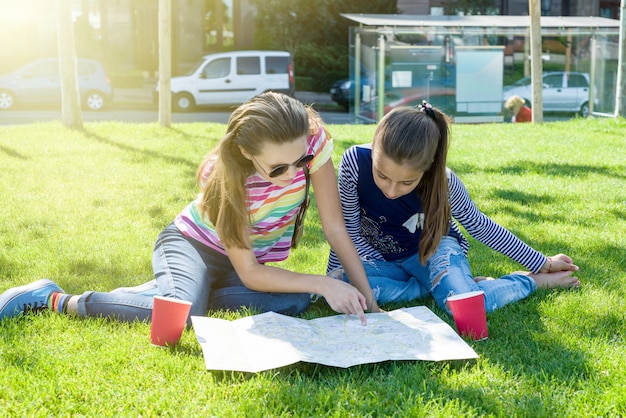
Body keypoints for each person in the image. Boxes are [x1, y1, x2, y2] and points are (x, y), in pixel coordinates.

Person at [0, 92, 377, 325]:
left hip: (238, 267)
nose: (294, 174)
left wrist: (371, 305)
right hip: (190, 245)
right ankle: (54, 298)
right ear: (247, 153)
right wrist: (324, 282)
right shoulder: (224, 175)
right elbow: (249, 273)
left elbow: (334, 228)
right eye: (279, 168)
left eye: (301, 161)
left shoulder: (315, 142)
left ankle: (175, 292)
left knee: (296, 299)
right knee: (177, 322)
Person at [327, 102, 579, 315]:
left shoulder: (443, 182)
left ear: (427, 168)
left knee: (462, 306)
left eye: (406, 182)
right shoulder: (354, 162)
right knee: (342, 284)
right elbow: (347, 229)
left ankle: (528, 281)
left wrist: (541, 264)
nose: (391, 191)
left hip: (434, 252)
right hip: (384, 258)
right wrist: (333, 274)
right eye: (382, 176)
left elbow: (480, 226)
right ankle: (436, 285)